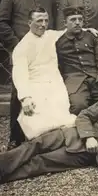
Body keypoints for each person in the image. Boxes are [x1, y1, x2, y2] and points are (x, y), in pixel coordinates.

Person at [0, 0, 57, 149]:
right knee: (19, 92)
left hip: (45, 52)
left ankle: (42, 134)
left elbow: (54, 24)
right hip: (23, 52)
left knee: (47, 90)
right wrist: (17, 43)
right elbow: (0, 24)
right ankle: (15, 136)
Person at [12, 8, 77, 140]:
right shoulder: (22, 47)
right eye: (39, 21)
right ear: (29, 23)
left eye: (46, 21)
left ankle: (60, 145)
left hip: (55, 82)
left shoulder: (51, 35)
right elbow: (20, 74)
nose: (43, 24)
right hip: (36, 85)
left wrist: (90, 30)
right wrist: (25, 97)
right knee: (39, 121)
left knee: (62, 116)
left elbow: (67, 31)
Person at [56, 6, 98, 115]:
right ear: (65, 23)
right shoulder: (59, 42)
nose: (77, 22)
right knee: (78, 106)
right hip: (74, 82)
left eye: (80, 19)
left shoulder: (92, 37)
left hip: (97, 78)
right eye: (73, 20)